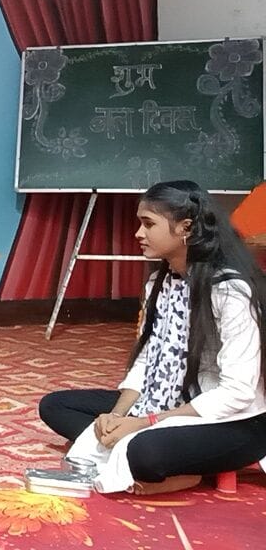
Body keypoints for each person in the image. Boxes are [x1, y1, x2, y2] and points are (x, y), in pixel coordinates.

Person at [39, 180, 266, 494]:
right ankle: (168, 457)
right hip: (166, 401)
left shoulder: (229, 291)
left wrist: (145, 423)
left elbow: (237, 392)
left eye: (148, 224)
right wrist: (116, 416)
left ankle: (168, 461)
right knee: (56, 406)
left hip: (233, 419)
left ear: (185, 228)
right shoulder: (160, 282)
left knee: (144, 452)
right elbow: (147, 360)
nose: (138, 233)